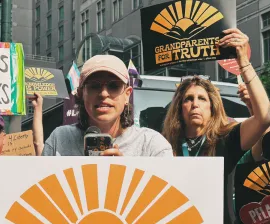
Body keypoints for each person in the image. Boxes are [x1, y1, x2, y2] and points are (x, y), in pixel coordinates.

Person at [162, 28, 270, 224]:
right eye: (188, 99)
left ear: (213, 107)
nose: (195, 104)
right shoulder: (165, 145)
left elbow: (265, 117)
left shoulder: (226, 139)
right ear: (179, 108)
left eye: (202, 99)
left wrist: (243, 62)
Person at [42, 54, 173, 157]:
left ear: (127, 94)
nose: (104, 93)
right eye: (94, 86)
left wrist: (126, 173)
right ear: (81, 94)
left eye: (113, 86)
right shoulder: (59, 140)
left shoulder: (152, 145)